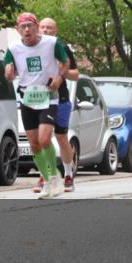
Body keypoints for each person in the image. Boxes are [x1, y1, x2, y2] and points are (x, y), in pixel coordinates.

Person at [4, 12, 69, 199]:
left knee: (44, 139)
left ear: (36, 27)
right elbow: (9, 74)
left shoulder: (51, 43)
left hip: (48, 95)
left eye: (29, 26)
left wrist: (59, 78)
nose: (26, 30)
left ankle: (55, 177)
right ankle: (46, 181)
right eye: (22, 27)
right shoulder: (13, 48)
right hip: (28, 97)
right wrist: (9, 73)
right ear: (17, 30)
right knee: (34, 144)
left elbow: (66, 63)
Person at [39, 17, 80, 193]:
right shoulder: (32, 49)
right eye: (43, 27)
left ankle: (68, 174)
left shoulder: (62, 48)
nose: (45, 30)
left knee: (61, 137)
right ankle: (45, 175)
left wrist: (62, 71)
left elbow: (76, 75)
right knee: (43, 138)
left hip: (60, 98)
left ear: (55, 31)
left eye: (49, 28)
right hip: (40, 99)